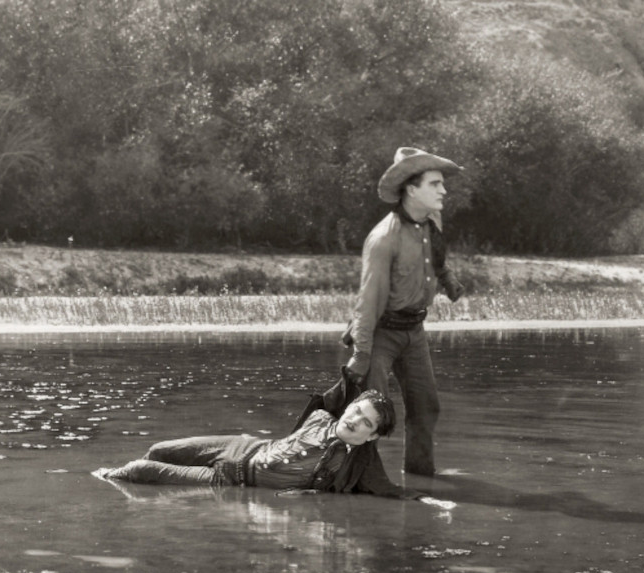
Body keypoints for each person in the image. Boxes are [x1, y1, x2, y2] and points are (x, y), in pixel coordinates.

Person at [344, 147, 466, 478]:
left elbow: (436, 259)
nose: (444, 190)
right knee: (370, 414)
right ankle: (357, 480)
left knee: (426, 408)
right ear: (412, 189)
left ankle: (420, 480)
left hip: (414, 332)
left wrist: (449, 280)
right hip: (381, 333)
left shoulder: (433, 221)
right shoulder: (383, 238)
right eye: (435, 183)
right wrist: (362, 352)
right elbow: (368, 300)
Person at [94, 386, 426, 500]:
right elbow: (343, 386)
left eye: (365, 423)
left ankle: (99, 478)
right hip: (239, 447)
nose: (354, 420)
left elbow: (385, 489)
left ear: (371, 436)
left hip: (232, 479)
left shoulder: (354, 462)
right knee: (159, 449)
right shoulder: (322, 416)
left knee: (139, 469)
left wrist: (425, 501)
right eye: (356, 411)